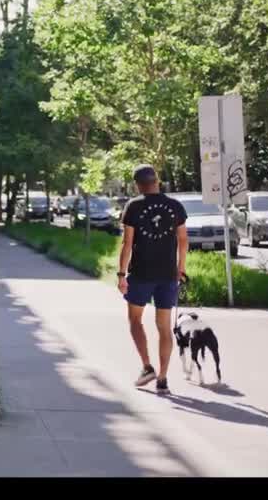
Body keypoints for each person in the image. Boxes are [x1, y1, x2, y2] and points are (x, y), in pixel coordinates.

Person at [116, 164, 188, 393]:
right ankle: (163, 378)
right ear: (157, 181)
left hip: (141, 274)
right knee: (164, 328)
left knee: (135, 320)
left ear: (138, 184)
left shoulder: (134, 206)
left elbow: (127, 244)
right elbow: (184, 240)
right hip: (167, 275)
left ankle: (147, 367)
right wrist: (181, 268)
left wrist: (121, 274)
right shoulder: (175, 206)